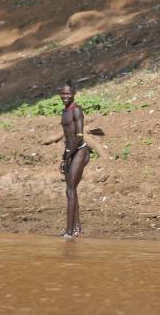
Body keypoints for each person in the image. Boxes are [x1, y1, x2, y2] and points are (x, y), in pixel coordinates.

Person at [59, 80, 90, 238]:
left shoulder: (77, 110)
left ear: (74, 94)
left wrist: (70, 154)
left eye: (68, 93)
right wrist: (65, 157)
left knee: (70, 191)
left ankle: (69, 232)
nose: (65, 96)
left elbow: (79, 136)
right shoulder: (64, 112)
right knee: (71, 190)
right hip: (70, 152)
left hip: (80, 151)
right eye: (63, 93)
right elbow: (67, 137)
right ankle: (77, 228)